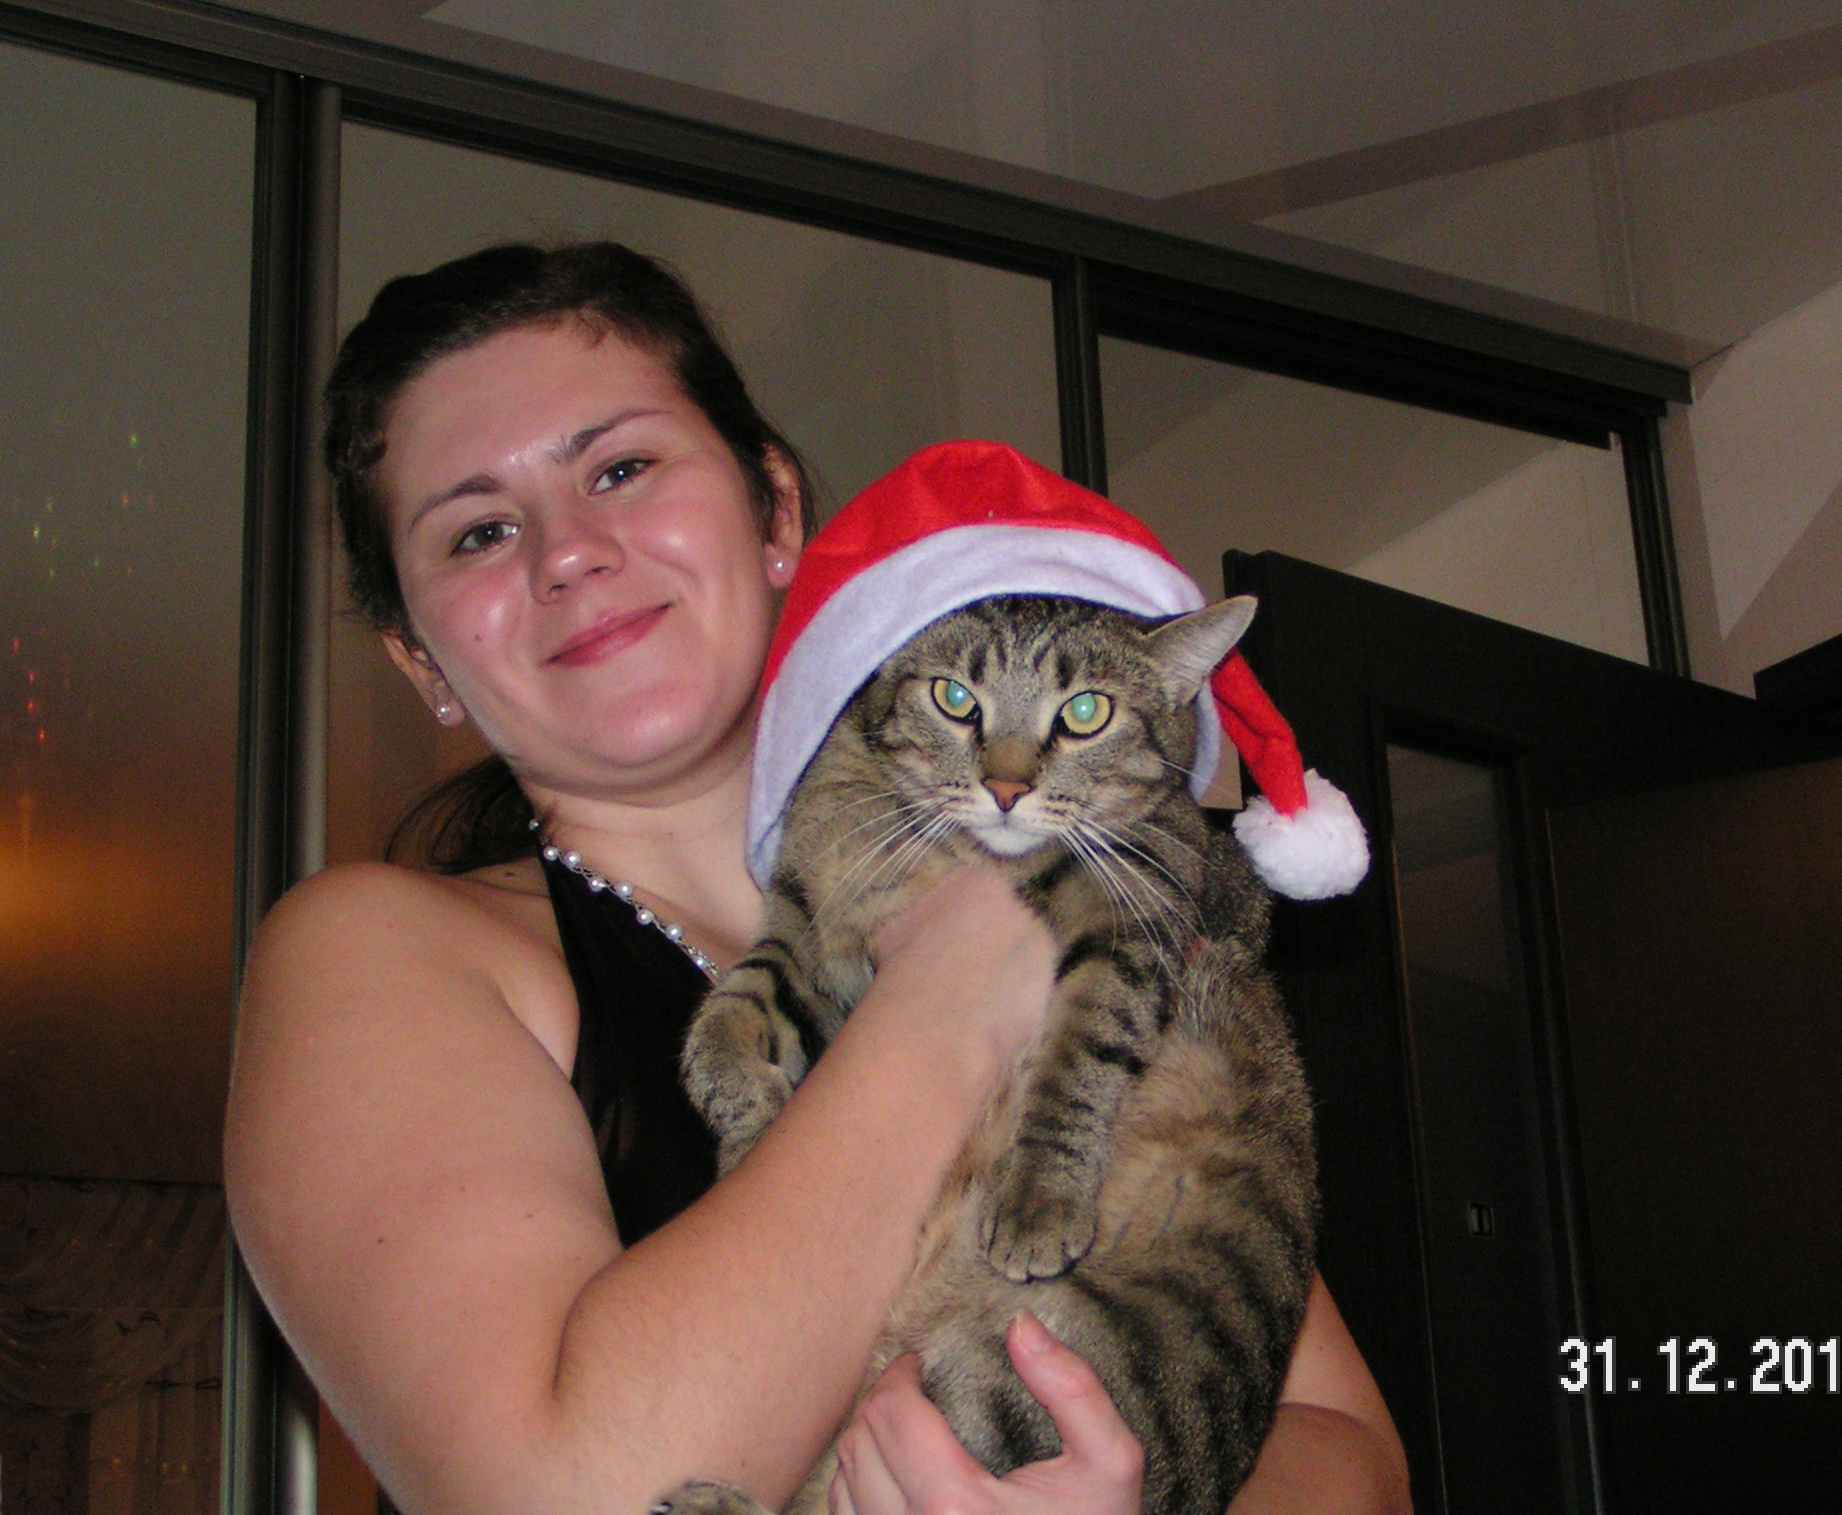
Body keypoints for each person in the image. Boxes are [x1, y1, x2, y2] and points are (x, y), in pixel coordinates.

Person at [224, 242, 1411, 1515]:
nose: (564, 552)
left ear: (775, 511)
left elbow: (1351, 1451)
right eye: (478, 532)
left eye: (618, 469)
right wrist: (952, 991)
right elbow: (570, 1492)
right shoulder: (373, 952)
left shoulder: (1109, 879)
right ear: (423, 666)